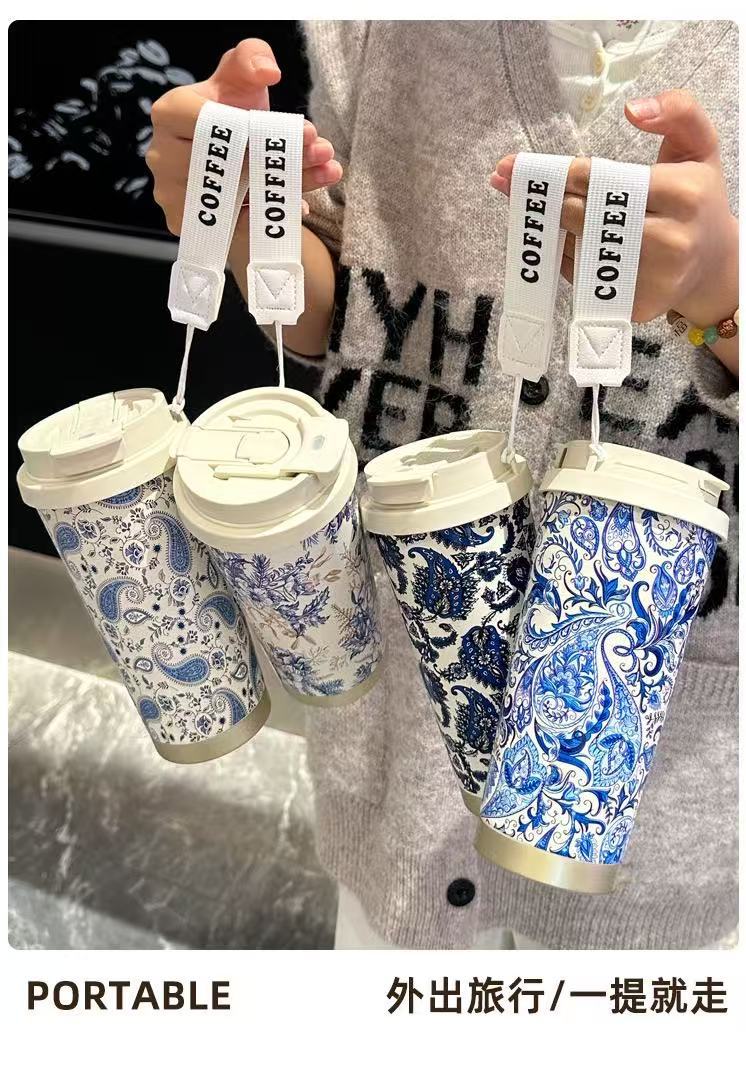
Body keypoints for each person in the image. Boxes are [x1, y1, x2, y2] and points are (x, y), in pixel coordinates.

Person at [147, 20, 738, 949]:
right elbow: (352, 315)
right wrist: (249, 224)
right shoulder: (372, 27)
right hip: (400, 741)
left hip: (661, 792)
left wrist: (726, 300)